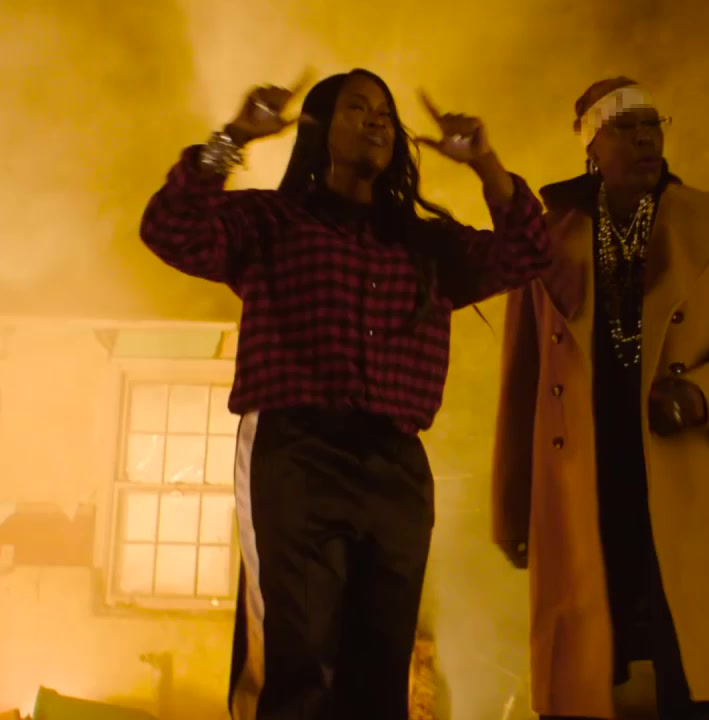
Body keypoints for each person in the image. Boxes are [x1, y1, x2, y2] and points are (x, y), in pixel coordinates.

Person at [139, 68, 549, 720]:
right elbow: (169, 227)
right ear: (320, 130)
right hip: (297, 450)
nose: (377, 120)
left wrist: (485, 162)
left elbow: (529, 250)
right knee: (299, 660)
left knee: (380, 670)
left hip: (395, 465)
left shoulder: (425, 244)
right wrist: (235, 135)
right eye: (358, 108)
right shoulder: (272, 220)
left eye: (384, 111)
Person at [490, 77, 709, 720]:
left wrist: (700, 393)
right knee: (590, 672)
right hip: (588, 477)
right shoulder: (546, 240)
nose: (645, 138)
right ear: (591, 144)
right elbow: (522, 378)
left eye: (652, 124)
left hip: (687, 471)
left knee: (690, 663)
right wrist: (511, 509)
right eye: (626, 127)